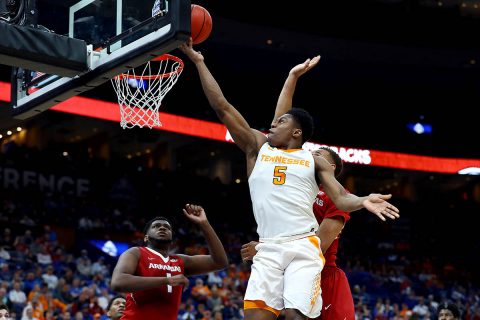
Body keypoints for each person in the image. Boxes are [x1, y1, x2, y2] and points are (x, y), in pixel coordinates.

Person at [180, 39, 399, 320]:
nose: (273, 124)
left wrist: (364, 200)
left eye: (281, 122)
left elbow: (341, 197)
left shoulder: (314, 160)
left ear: (297, 133)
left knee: (295, 316)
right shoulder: (258, 148)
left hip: (302, 246)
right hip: (268, 245)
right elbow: (222, 106)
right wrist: (199, 62)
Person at [241, 57, 395, 320]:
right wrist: (292, 78)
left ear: (330, 170)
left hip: (319, 271)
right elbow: (280, 124)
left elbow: (319, 243)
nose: (312, 156)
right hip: (289, 265)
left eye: (320, 155)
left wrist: (267, 248)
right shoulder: (299, 187)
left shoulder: (337, 197)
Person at [111, 204, 228, 320]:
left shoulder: (180, 260)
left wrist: (204, 223)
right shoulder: (136, 253)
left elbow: (220, 262)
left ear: (172, 238)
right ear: (146, 237)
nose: (162, 228)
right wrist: (168, 280)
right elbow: (118, 282)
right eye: (156, 226)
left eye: (167, 227)